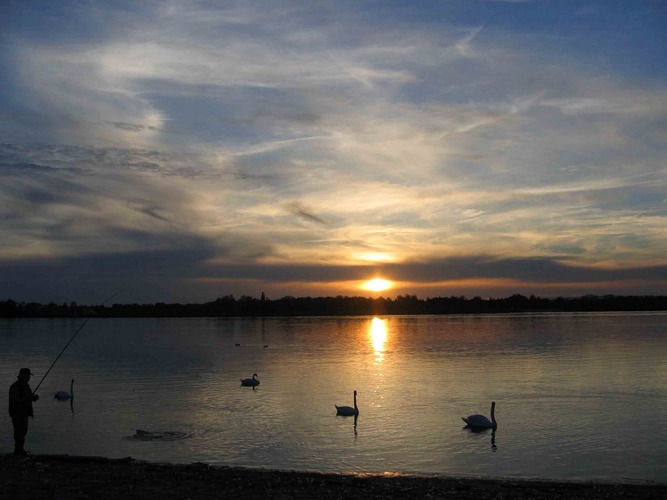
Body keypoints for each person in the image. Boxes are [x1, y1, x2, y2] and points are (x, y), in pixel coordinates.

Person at [8, 368, 39, 456]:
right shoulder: (15, 386)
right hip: (17, 413)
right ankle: (17, 451)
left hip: (24, 412)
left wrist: (33, 398)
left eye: (29, 376)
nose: (29, 377)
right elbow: (15, 401)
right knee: (19, 432)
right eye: (28, 375)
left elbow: (28, 397)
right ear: (23, 375)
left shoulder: (26, 386)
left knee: (23, 431)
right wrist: (28, 398)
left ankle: (21, 450)